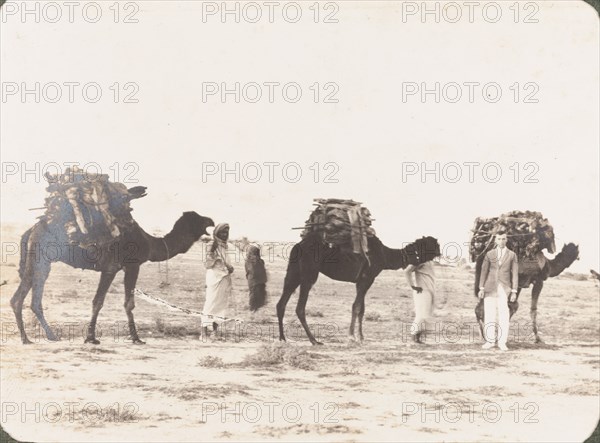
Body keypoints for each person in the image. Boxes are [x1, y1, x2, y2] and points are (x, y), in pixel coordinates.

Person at [478, 230, 519, 351]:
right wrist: (481, 288)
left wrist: (514, 291)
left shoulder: (512, 255)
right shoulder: (489, 254)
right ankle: (490, 341)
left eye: (503, 239)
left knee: (504, 315)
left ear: (507, 240)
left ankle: (502, 342)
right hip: (490, 287)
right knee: (489, 313)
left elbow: (515, 274)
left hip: (504, 288)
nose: (501, 241)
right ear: (495, 240)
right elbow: (484, 271)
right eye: (499, 239)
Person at [202, 223, 234, 339]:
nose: (225, 235)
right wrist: (214, 257)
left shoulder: (225, 246)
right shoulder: (211, 245)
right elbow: (207, 264)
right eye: (222, 232)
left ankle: (214, 332)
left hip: (225, 278)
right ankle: (204, 332)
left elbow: (226, 261)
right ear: (217, 233)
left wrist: (230, 267)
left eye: (226, 232)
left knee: (221, 305)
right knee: (210, 304)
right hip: (214, 278)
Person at [404, 259, 436, 344]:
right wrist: (413, 287)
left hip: (429, 290)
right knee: (422, 315)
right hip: (422, 291)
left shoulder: (429, 260)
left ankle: (417, 338)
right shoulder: (421, 260)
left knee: (426, 314)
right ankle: (414, 336)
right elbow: (407, 271)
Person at [245, 245, 267, 312]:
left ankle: (255, 310)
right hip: (254, 281)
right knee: (254, 295)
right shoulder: (249, 261)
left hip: (259, 281)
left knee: (259, 295)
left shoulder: (260, 261)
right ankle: (252, 310)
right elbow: (251, 271)